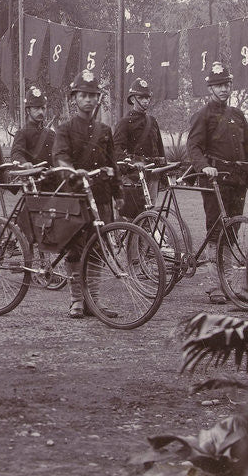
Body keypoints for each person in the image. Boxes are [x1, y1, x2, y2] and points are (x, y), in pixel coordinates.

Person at [53, 70, 124, 319]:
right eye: (83, 95)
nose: (88, 100)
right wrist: (72, 171)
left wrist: (118, 193)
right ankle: (76, 301)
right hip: (74, 197)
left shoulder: (104, 130)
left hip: (101, 196)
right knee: (74, 250)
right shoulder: (65, 129)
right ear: (74, 98)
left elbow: (112, 163)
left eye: (93, 95)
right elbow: (60, 157)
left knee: (98, 249)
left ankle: (93, 301)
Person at [186, 62, 248, 236]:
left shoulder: (237, 114)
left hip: (238, 179)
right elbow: (193, 146)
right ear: (210, 89)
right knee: (216, 227)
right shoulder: (202, 115)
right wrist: (204, 166)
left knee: (234, 226)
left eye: (227, 85)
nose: (224, 89)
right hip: (215, 179)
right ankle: (215, 263)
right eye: (219, 85)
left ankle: (227, 263)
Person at [113, 78, 166, 217]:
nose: (145, 101)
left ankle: (147, 236)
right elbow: (116, 149)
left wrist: (163, 172)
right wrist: (131, 163)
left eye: (147, 97)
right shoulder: (125, 122)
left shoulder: (152, 121)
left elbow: (159, 148)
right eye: (141, 98)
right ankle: (131, 237)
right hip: (134, 175)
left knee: (150, 208)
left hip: (152, 172)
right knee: (133, 213)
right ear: (133, 99)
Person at [10, 86, 55, 165]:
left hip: (51, 175)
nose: (40, 112)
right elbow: (16, 154)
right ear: (28, 110)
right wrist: (24, 163)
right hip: (32, 175)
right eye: (36, 108)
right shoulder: (22, 133)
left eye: (43, 108)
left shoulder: (51, 133)